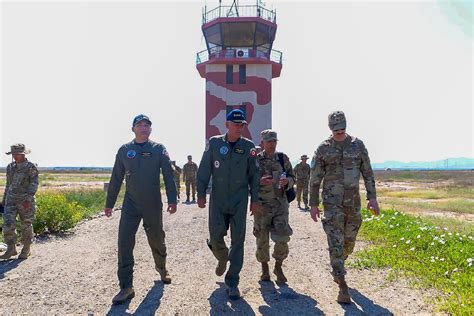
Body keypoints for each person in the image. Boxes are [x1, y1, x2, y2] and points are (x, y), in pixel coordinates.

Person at [104, 114, 177, 305]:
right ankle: (126, 287)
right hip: (131, 203)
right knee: (124, 243)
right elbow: (116, 178)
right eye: (140, 125)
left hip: (152, 203)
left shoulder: (158, 149)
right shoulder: (124, 150)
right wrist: (109, 203)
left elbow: (168, 175)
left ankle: (162, 267)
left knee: (157, 238)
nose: (144, 127)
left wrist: (172, 199)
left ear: (150, 129)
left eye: (147, 125)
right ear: (133, 129)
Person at [309, 111, 380, 304]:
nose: (339, 132)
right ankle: (342, 284)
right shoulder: (323, 149)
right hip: (332, 205)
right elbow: (315, 179)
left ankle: (340, 260)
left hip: (353, 203)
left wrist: (372, 198)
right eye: (335, 130)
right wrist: (313, 204)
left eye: (342, 129)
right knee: (335, 241)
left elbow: (368, 172)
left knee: (348, 242)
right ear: (330, 128)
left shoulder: (358, 145)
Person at [196, 109, 259, 300]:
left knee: (238, 241)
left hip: (240, 200)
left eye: (242, 125)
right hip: (218, 199)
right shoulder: (215, 143)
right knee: (216, 238)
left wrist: (254, 199)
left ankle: (232, 282)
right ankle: (223, 258)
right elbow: (204, 169)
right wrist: (200, 193)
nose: (239, 128)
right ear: (227, 125)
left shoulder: (249, 147)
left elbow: (254, 176)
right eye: (236, 124)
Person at [254, 129, 295, 283]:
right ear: (262, 142)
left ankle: (278, 266)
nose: (272, 144)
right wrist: (259, 182)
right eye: (269, 141)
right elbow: (247, 180)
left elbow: (292, 177)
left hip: (280, 205)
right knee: (262, 238)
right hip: (262, 206)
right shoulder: (256, 160)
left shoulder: (282, 158)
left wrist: (288, 182)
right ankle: (264, 269)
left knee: (283, 236)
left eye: (274, 141)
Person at [0, 144, 39, 260]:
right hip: (10, 200)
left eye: (18, 154)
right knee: (8, 224)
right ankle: (11, 248)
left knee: (26, 225)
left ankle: (26, 249)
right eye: (14, 154)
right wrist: (4, 200)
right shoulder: (10, 167)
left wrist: (28, 199)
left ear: (23, 154)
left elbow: (34, 184)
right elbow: (8, 184)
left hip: (25, 201)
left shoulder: (30, 167)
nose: (15, 156)